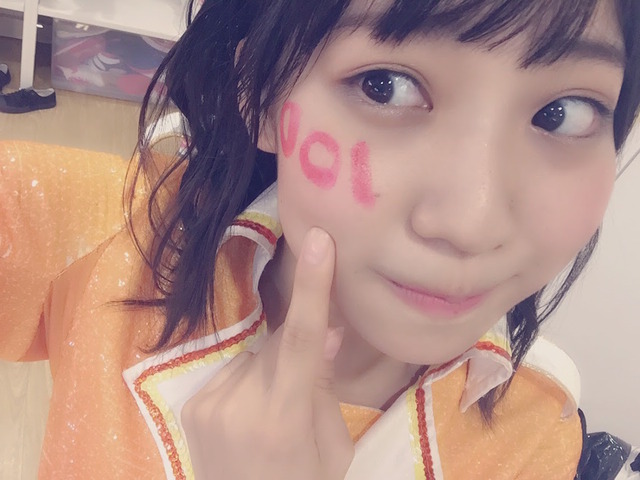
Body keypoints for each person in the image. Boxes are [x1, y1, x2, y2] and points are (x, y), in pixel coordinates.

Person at [1, 0, 639, 478]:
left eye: (563, 113)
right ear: (258, 92)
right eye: (384, 85)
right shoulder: (107, 237)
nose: (473, 224)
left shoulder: (533, 443)